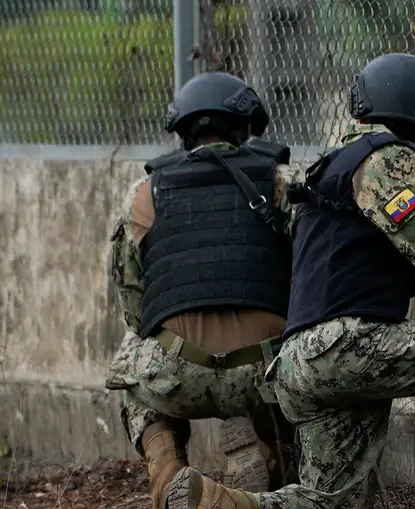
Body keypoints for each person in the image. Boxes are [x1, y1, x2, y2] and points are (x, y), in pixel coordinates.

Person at [161, 53, 415, 509]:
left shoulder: (330, 167)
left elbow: (386, 274)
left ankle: (220, 502)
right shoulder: (387, 162)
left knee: (332, 502)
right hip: (345, 348)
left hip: (299, 363)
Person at [103, 71, 303, 509]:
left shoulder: (144, 193)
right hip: (264, 373)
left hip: (178, 372)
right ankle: (270, 460)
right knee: (291, 349)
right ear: (244, 126)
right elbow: (310, 275)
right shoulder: (282, 181)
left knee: (132, 363)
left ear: (183, 131)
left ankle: (169, 477)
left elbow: (134, 304)